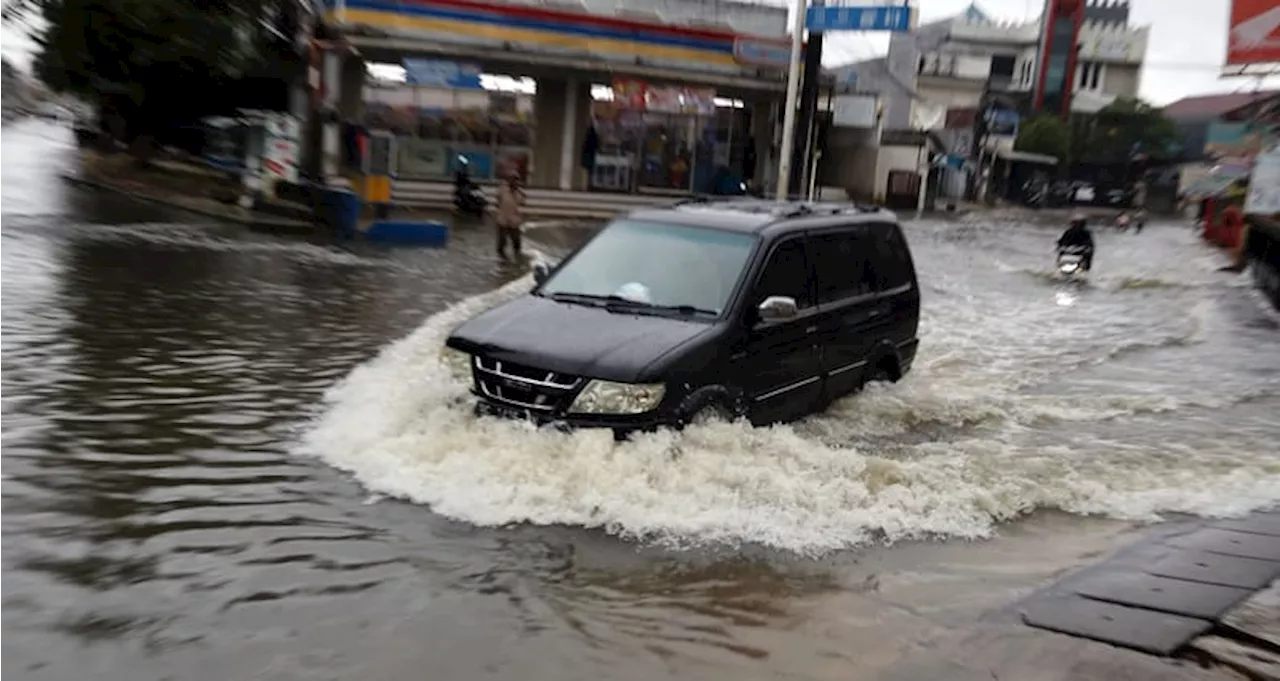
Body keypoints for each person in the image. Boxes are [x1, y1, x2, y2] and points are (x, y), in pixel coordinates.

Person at [495, 172, 525, 259]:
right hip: (502, 221)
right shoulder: (502, 190)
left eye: (516, 180)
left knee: (517, 244)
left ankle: (516, 259)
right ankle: (502, 261)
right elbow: (498, 201)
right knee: (501, 244)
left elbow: (522, 203)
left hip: (514, 222)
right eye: (512, 180)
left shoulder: (520, 194)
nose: (514, 182)